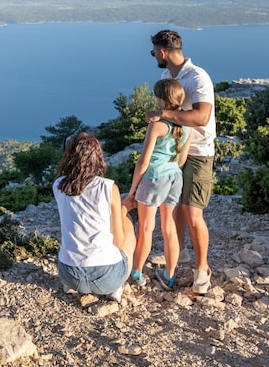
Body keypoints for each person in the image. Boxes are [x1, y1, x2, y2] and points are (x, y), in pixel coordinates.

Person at [145, 29, 217, 294]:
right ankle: (180, 254)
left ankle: (202, 271)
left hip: (198, 151)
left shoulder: (198, 77)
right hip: (174, 150)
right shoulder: (166, 77)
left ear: (163, 52)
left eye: (154, 52)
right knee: (173, 206)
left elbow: (202, 117)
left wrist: (163, 114)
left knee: (192, 212)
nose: (154, 56)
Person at [122, 78, 190, 291]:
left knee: (146, 228)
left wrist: (133, 189)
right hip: (175, 176)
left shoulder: (157, 126)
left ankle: (136, 273)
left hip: (154, 177)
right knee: (169, 227)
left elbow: (143, 161)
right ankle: (169, 275)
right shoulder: (188, 126)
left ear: (161, 100)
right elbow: (182, 160)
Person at [53, 132, 137, 302]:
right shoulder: (108, 187)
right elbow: (119, 240)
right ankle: (116, 287)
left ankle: (73, 287)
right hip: (107, 278)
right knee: (126, 222)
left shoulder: (58, 185)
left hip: (69, 275)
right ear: (97, 157)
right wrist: (123, 208)